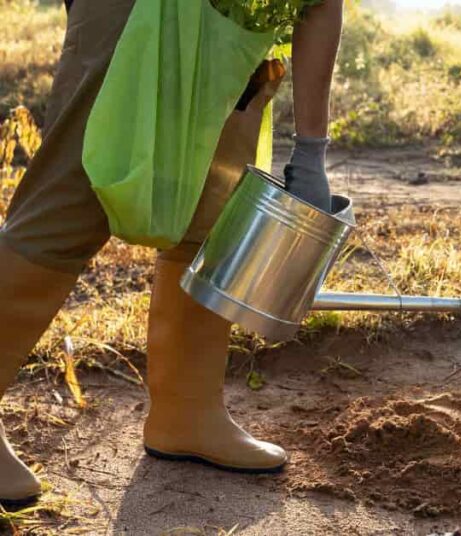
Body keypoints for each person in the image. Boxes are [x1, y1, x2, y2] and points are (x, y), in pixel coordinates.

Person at [0, 0, 343, 506]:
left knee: (209, 212)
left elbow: (319, 4)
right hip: (128, 13)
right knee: (72, 200)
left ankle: (187, 412)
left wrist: (312, 153)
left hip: (236, 24)